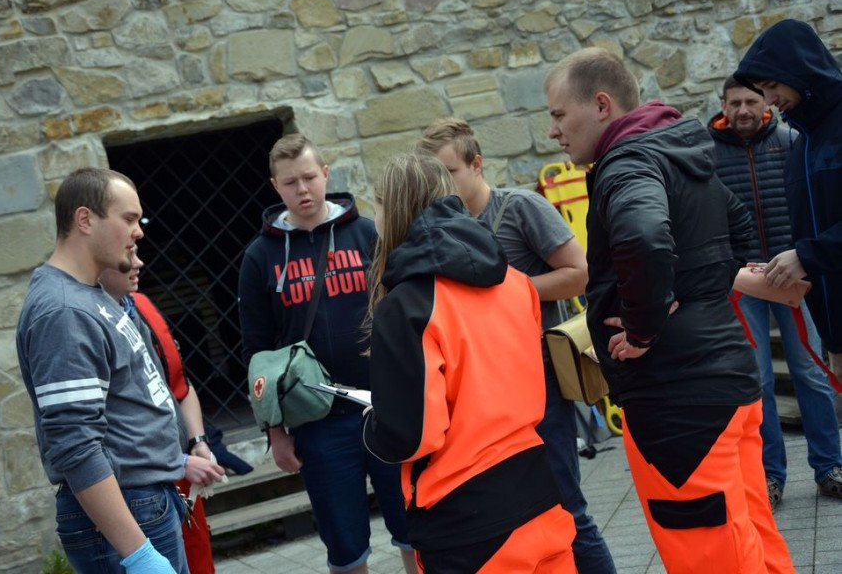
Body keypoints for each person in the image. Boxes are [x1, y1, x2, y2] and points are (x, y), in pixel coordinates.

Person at [545, 48, 794, 573]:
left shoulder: (629, 161)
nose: (554, 132)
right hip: (726, 385)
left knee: (714, 556)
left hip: (679, 409)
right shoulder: (679, 150)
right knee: (754, 544)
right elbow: (740, 229)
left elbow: (645, 236)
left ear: (602, 105)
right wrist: (691, 291)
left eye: (559, 115)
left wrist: (643, 326)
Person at [415, 118, 615, 574]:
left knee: (568, 509)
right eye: (435, 176)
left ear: (477, 163)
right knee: (524, 521)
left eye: (450, 172)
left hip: (537, 379)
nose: (442, 185)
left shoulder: (520, 206)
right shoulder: (441, 228)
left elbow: (580, 273)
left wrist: (506, 289)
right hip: (482, 397)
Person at [360, 153, 577, 573]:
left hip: (466, 519)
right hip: (538, 493)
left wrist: (375, 422)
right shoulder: (516, 283)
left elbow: (412, 436)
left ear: (394, 209)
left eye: (377, 204)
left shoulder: (407, 306)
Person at [16, 167, 224, 574]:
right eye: (128, 219)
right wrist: (138, 553)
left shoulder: (91, 294)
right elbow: (75, 445)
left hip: (146, 500)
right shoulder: (62, 310)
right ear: (85, 220)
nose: (139, 231)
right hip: (126, 515)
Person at [237, 134, 415, 574]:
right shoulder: (260, 257)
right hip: (317, 420)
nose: (302, 189)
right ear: (275, 187)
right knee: (345, 547)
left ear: (326, 175)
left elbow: (406, 313)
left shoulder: (368, 233)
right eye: (290, 182)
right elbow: (257, 352)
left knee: (416, 529)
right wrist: (275, 433)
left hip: (386, 406)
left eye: (310, 177)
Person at [707, 75, 842, 510]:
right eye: (734, 103)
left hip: (793, 273)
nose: (743, 110)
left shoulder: (791, 139)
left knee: (812, 373)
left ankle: (830, 467)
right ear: (722, 106)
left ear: (764, 102)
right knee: (759, 379)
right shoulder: (707, 155)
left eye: (751, 100)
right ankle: (770, 475)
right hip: (744, 281)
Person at [100, 248, 226, 574]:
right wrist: (181, 462)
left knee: (199, 563)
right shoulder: (89, 322)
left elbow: (180, 386)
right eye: (126, 255)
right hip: (138, 492)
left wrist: (198, 441)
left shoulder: (140, 305)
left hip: (179, 476)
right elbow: (111, 430)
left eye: (137, 252)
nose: (139, 263)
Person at [733, 18, 842, 391]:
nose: (768, 100)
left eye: (771, 86)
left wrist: (806, 256)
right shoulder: (800, 145)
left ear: (799, 70)